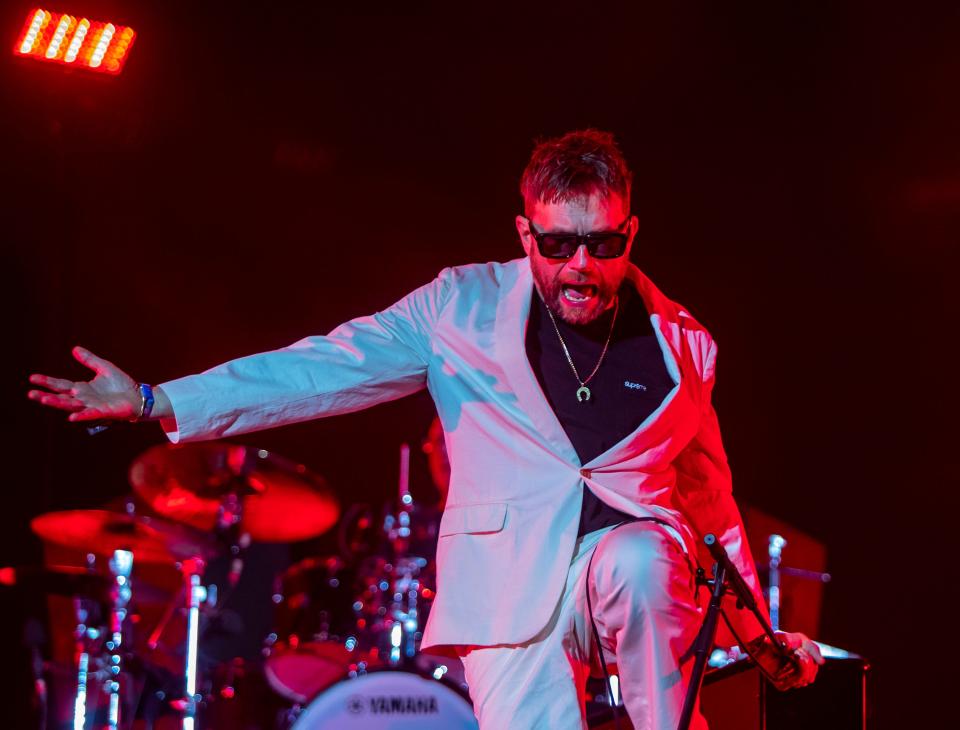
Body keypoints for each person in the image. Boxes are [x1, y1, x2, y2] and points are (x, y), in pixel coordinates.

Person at [29, 129, 822, 729]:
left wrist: (761, 638)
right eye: (558, 243)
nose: (580, 264)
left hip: (627, 568)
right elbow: (321, 368)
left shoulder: (685, 345)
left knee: (648, 554)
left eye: (601, 243)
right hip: (505, 585)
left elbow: (708, 496)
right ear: (525, 235)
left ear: (631, 234)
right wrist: (155, 401)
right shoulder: (459, 309)